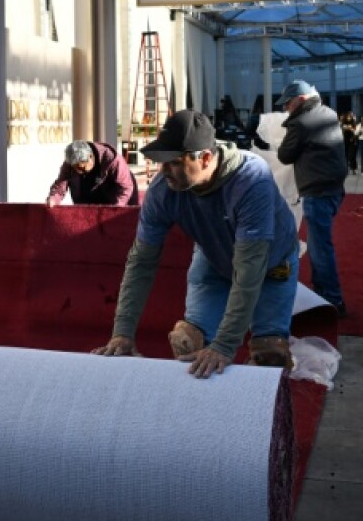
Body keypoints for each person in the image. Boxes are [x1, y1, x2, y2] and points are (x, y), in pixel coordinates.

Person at [92, 109, 300, 377]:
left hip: (271, 265)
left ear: (204, 158)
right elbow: (141, 262)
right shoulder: (163, 191)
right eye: (160, 161)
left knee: (270, 356)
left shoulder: (251, 179)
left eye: (174, 162)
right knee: (188, 343)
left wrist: (225, 346)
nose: (163, 171)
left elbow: (249, 270)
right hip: (214, 260)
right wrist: (122, 333)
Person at [275, 80, 349, 316]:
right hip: (334, 189)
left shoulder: (301, 122)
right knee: (321, 244)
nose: (286, 108)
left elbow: (285, 155)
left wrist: (287, 126)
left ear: (302, 99)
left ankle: (332, 299)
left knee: (320, 248)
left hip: (317, 191)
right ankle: (323, 292)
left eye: (288, 103)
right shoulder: (328, 113)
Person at [46, 140, 139, 207]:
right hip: (87, 201)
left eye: (82, 168)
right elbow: (61, 185)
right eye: (75, 169)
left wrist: (115, 208)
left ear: (90, 157)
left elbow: (125, 188)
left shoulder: (113, 160)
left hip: (115, 200)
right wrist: (53, 199)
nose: (79, 171)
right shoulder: (70, 163)